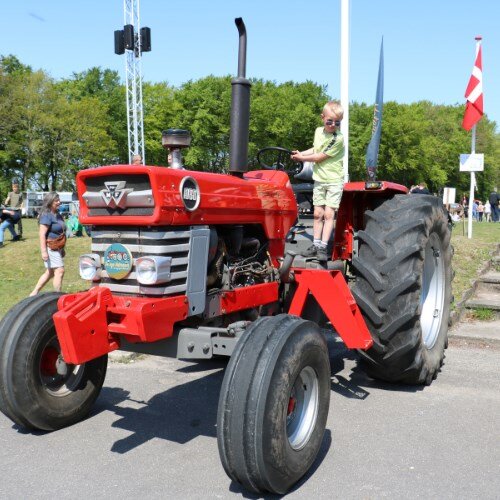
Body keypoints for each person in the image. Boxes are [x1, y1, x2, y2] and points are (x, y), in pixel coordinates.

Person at [291, 100, 345, 261]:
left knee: (329, 215)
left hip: (334, 180)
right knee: (317, 214)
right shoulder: (318, 132)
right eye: (329, 121)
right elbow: (316, 149)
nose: (333, 125)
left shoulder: (338, 138)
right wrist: (301, 153)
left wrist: (302, 158)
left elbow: (319, 157)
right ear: (323, 118)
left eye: (337, 122)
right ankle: (315, 244)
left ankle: (323, 247)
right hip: (320, 179)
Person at [30, 192, 66, 296]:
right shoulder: (47, 215)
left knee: (50, 272)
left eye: (59, 200)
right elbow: (42, 234)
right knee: (59, 270)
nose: (59, 202)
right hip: (50, 247)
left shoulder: (58, 215)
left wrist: (62, 249)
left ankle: (34, 293)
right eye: (56, 201)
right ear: (50, 202)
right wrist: (43, 252)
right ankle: (57, 297)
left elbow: (61, 231)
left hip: (58, 247)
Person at [0, 179, 23, 247]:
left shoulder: (20, 194)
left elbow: (22, 202)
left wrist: (21, 207)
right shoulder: (10, 193)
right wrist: (6, 202)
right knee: (9, 225)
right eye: (13, 187)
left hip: (16, 212)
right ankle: (15, 236)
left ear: (18, 187)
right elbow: (7, 199)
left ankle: (0, 243)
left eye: (16, 187)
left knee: (2, 227)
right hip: (11, 212)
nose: (14, 189)